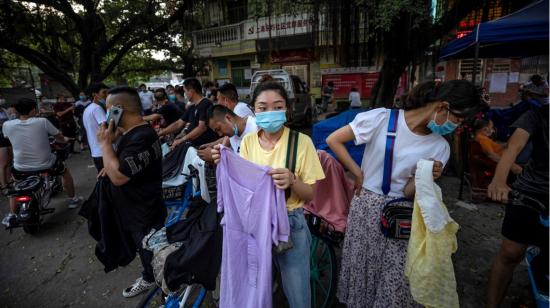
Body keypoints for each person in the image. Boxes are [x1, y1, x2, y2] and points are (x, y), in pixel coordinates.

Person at [327, 80, 483, 307]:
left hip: (401, 216)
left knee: (396, 281)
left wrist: (426, 176)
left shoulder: (440, 147)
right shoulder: (382, 118)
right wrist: (357, 173)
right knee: (364, 272)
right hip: (365, 210)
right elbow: (334, 140)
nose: (455, 127)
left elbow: (409, 191)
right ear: (442, 107)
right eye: (456, 120)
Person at [212, 81, 325, 308]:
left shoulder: (301, 143)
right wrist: (223, 163)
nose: (269, 112)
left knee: (297, 295)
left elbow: (311, 194)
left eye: (277, 106)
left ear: (287, 109)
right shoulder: (248, 142)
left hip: (290, 224)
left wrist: (292, 180)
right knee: (255, 286)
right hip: (254, 225)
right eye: (263, 107)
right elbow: (244, 187)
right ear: (254, 110)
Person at [96, 86, 166, 298]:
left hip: (142, 211)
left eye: (109, 110)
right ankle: (151, 275)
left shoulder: (141, 137)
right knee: (145, 249)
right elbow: (122, 166)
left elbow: (119, 177)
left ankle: (160, 283)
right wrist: (111, 154)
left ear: (118, 109)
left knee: (149, 250)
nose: (107, 115)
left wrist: (105, 144)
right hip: (139, 208)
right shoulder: (135, 133)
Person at [486, 103, 548, 308]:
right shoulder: (537, 114)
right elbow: (513, 147)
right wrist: (499, 181)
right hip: (531, 191)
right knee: (511, 252)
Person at [2, 98, 81, 226]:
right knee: (65, 172)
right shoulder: (42, 121)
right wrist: (66, 140)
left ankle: (11, 214)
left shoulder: (7, 125)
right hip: (46, 164)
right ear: (34, 110)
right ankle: (73, 199)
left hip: (20, 167)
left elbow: (9, 138)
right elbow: (59, 138)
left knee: (16, 186)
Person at [158, 78, 218, 149]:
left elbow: (202, 128)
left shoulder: (205, 104)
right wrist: (161, 133)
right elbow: (178, 124)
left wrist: (182, 140)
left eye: (185, 91)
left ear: (191, 91)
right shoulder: (192, 107)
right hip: (192, 145)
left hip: (203, 147)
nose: (184, 94)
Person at [83, 82, 109, 172]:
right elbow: (103, 127)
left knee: (102, 178)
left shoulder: (88, 109)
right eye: (104, 92)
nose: (106, 95)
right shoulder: (97, 108)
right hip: (103, 151)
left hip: (95, 150)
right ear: (95, 94)